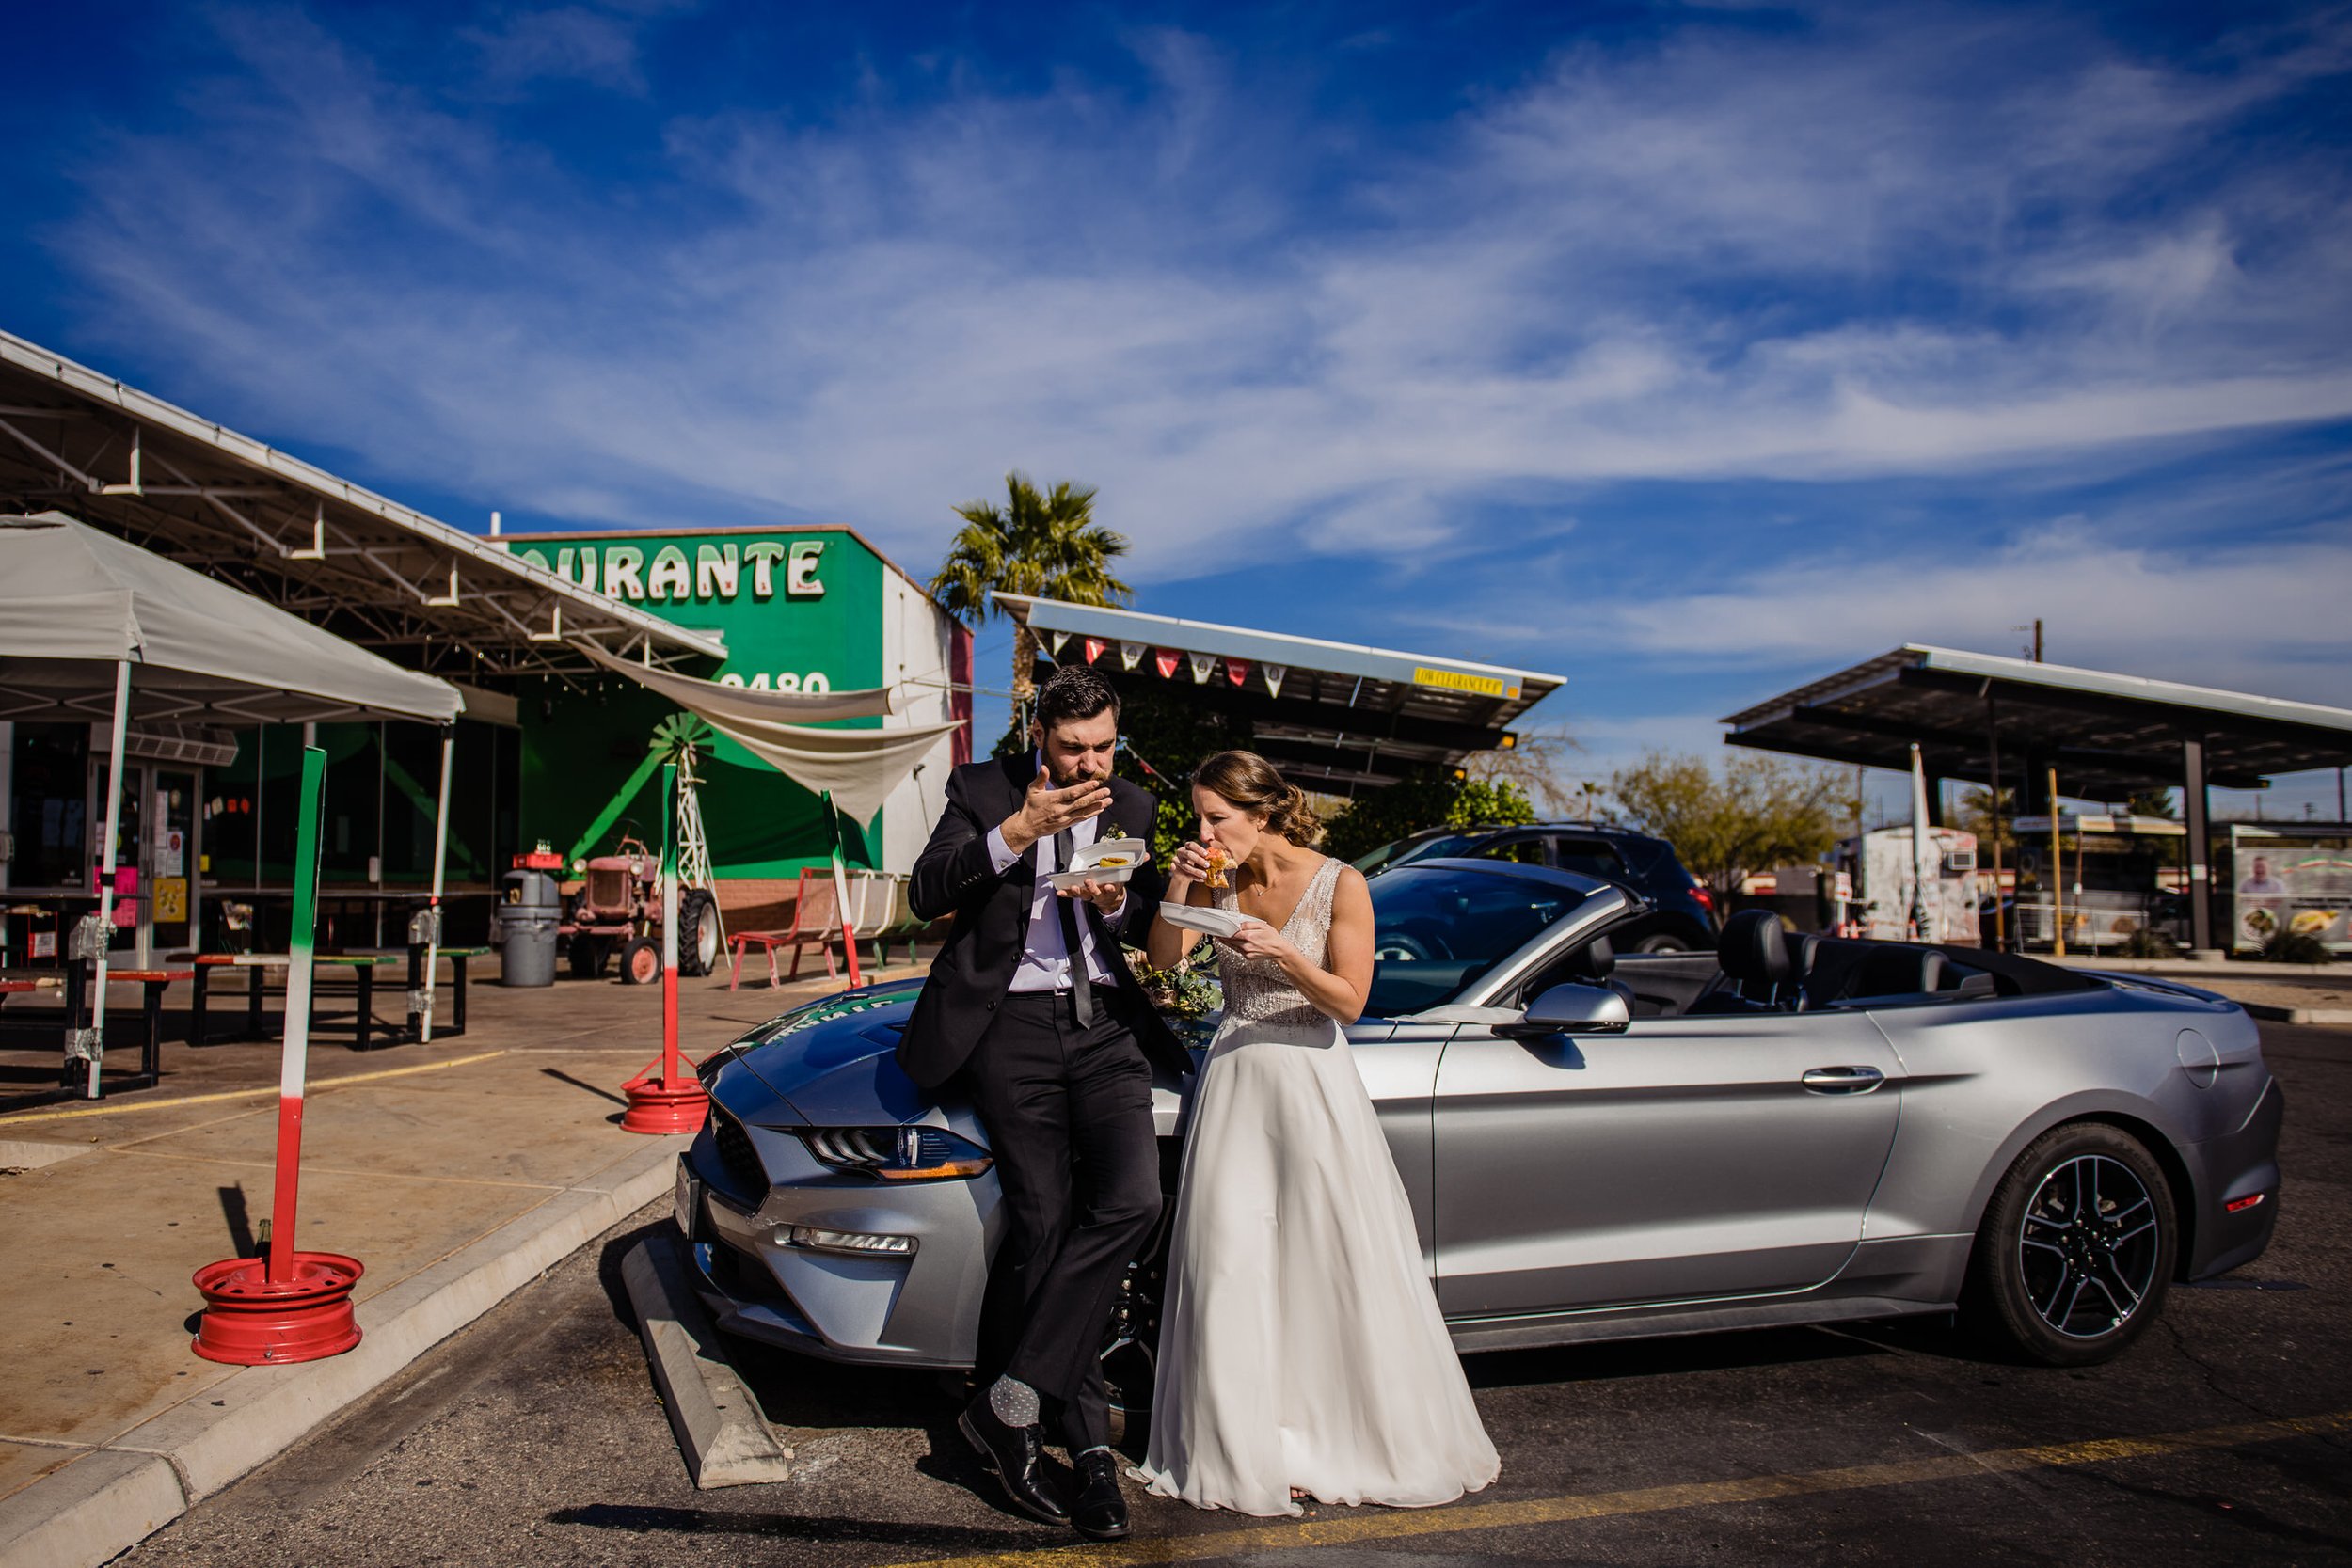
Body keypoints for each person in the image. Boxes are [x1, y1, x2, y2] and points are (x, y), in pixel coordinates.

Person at [1135, 750, 1499, 1516]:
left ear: (1261, 813)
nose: (1205, 829)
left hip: (1312, 1081)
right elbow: (1167, 957)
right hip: (1234, 1078)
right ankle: (1248, 1442)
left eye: (1216, 817)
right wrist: (1179, 880)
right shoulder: (1216, 876)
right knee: (1231, 1262)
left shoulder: (1343, 882)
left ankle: (1326, 1437)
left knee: (1322, 1259)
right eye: (1198, 816)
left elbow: (1350, 1000)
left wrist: (1285, 954)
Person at [900, 664, 1189, 1541]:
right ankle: (1089, 1449)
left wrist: (1124, 900)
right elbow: (925, 892)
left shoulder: (1131, 807)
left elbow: (1144, 926)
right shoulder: (982, 788)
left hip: (1103, 1025)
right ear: (1039, 736)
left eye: (1103, 746)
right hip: (1010, 1028)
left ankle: (1011, 1399)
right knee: (1045, 1223)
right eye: (1072, 748)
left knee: (1135, 1201)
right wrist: (1020, 830)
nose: (1089, 764)